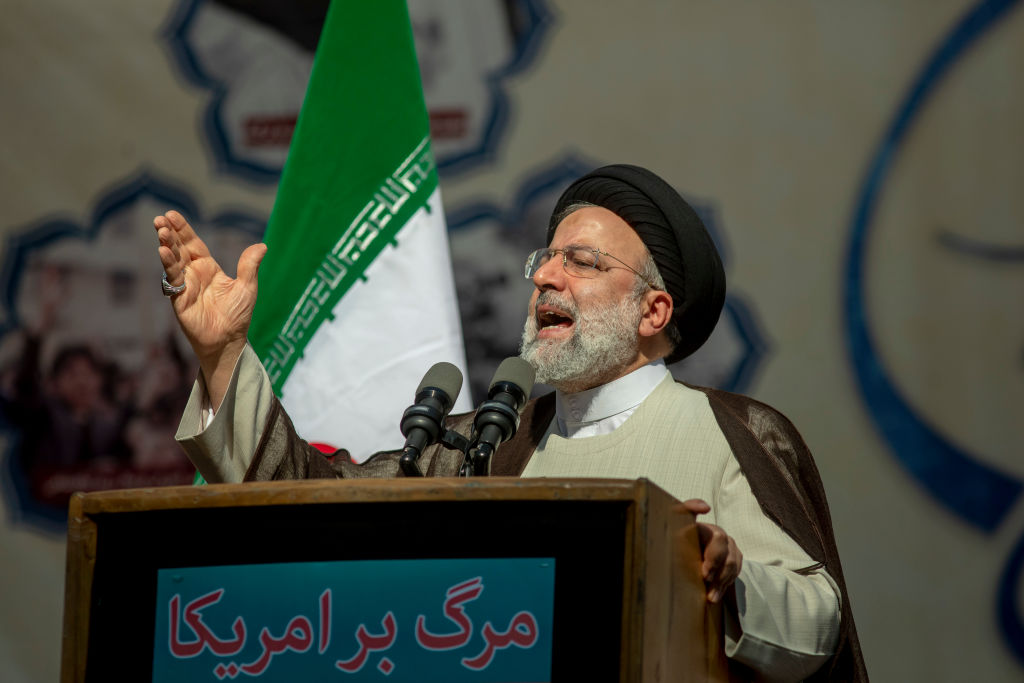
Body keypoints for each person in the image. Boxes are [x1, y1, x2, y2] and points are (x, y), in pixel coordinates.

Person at [155, 164, 867, 681]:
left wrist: (731, 580)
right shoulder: (482, 447)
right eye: (545, 258)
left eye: (581, 262)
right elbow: (310, 495)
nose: (545, 278)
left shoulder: (733, 429)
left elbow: (817, 620)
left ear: (653, 311)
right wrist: (222, 357)